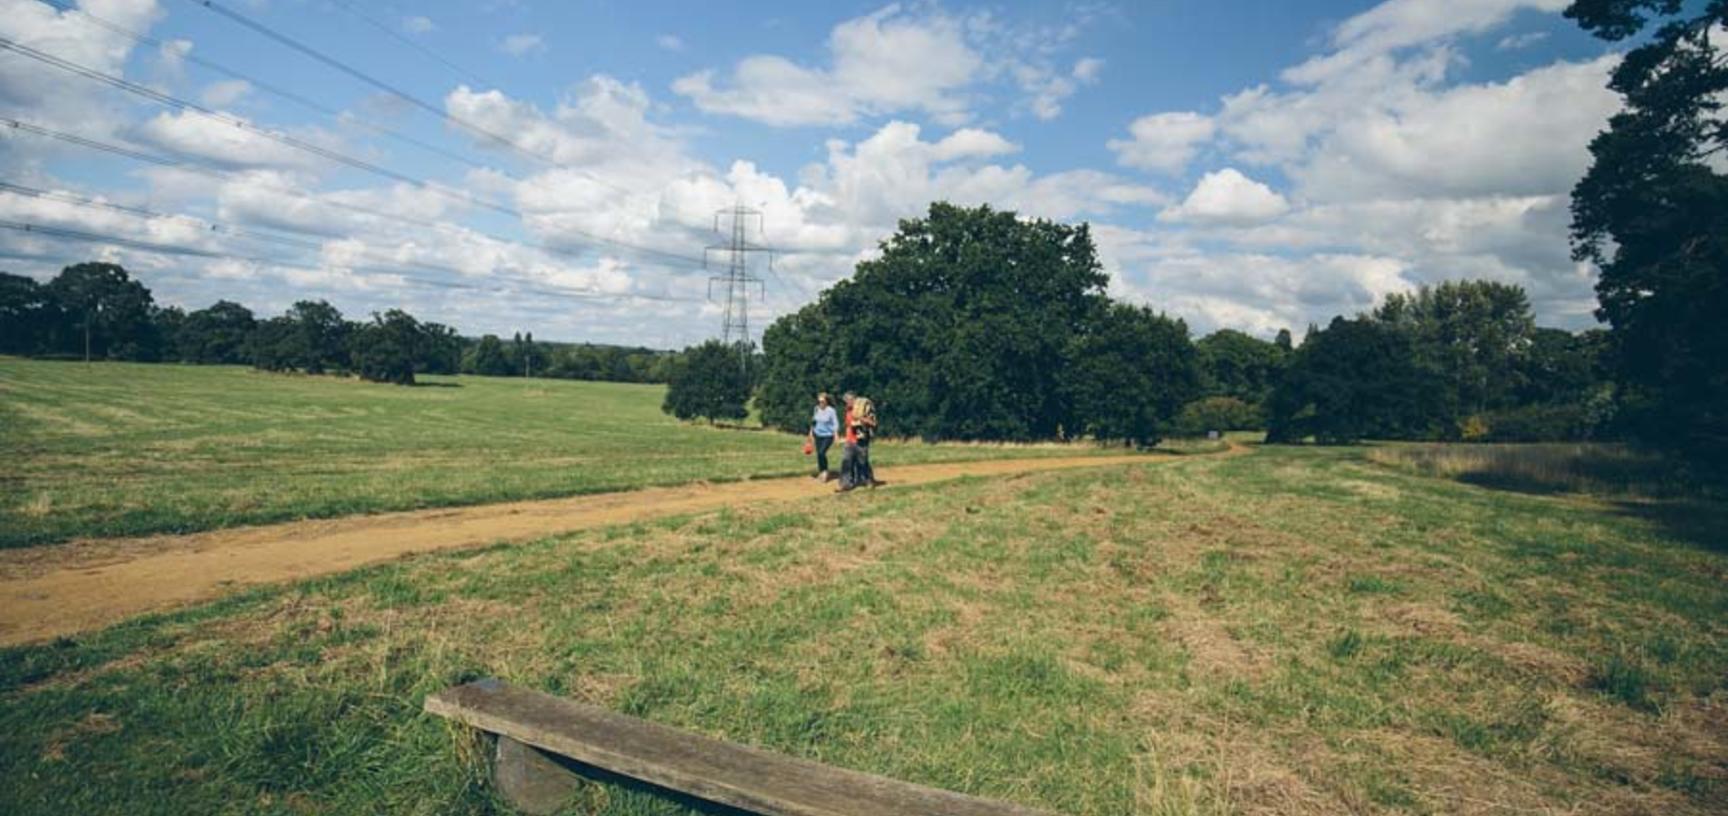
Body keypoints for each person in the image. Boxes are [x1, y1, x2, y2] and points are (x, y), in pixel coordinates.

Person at [837, 391, 878, 492]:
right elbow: (848, 426)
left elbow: (874, 423)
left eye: (848, 401)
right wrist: (845, 438)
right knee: (846, 462)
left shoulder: (865, 410)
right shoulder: (848, 411)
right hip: (850, 441)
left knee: (862, 462)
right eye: (846, 402)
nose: (847, 403)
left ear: (853, 400)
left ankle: (867, 480)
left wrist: (861, 418)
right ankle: (845, 484)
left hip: (861, 440)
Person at [809, 393, 838, 481]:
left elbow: (835, 423)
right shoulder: (816, 409)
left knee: (822, 452)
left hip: (828, 435)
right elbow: (814, 421)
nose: (820, 403)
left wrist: (836, 434)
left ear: (826, 401)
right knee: (819, 454)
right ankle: (821, 472)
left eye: (822, 401)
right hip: (818, 434)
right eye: (819, 401)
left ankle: (825, 472)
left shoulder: (831, 411)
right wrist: (811, 432)